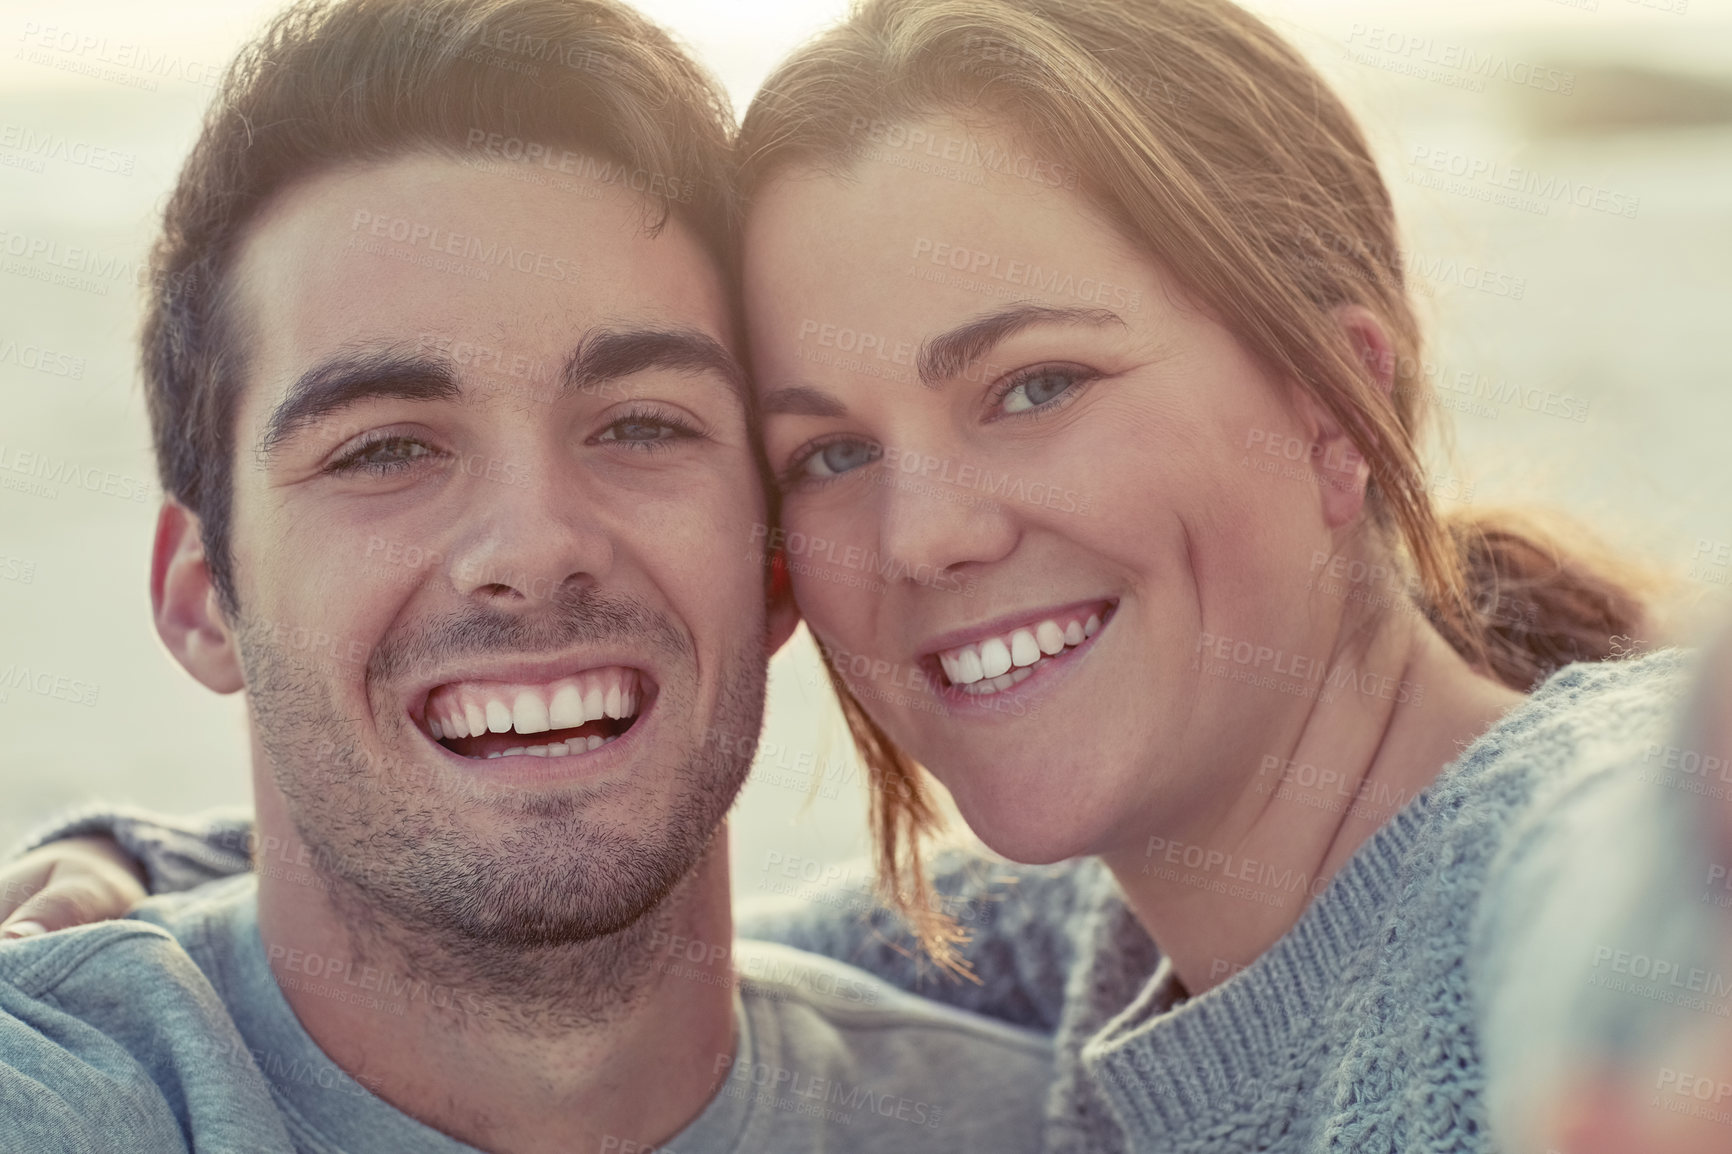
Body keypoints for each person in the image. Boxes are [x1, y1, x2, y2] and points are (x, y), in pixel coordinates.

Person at [7, 0, 1724, 1151]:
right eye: (829, 446)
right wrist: (124, 863)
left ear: (1329, 399)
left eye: (1031, 385)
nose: (925, 532)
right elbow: (505, 897)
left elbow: (1628, 880)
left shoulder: (1583, 863)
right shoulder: (1055, 956)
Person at [0, 1, 1052, 1151]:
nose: (536, 542)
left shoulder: (1043, 1119)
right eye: (385, 448)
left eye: (641, 425)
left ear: (773, 563)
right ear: (201, 595)